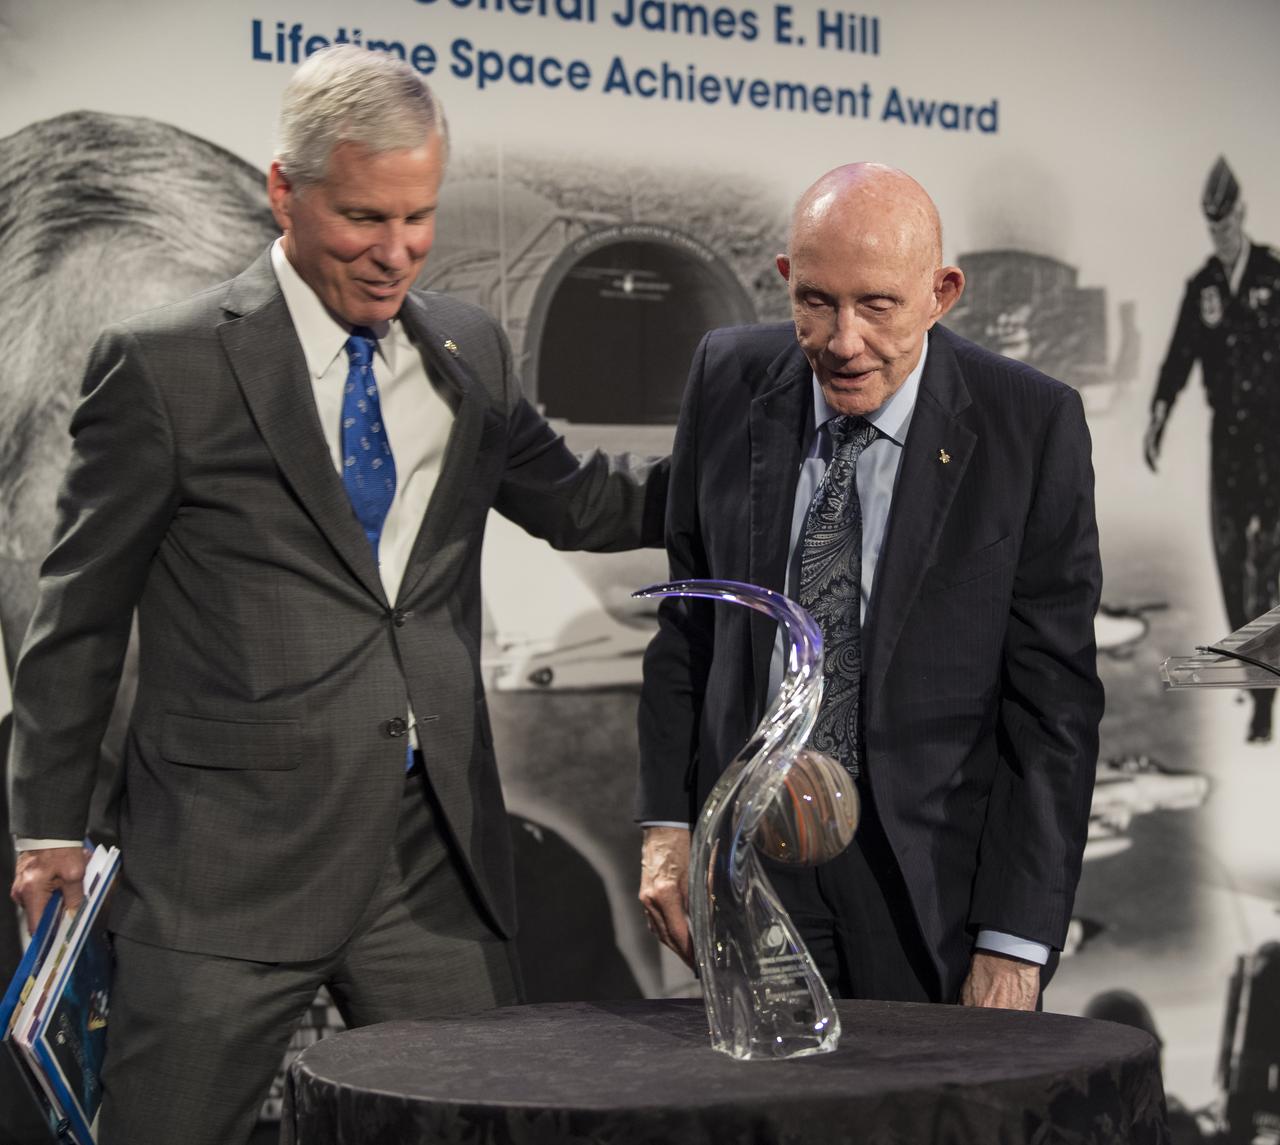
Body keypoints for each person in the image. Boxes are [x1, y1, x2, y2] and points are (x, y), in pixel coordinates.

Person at [8, 46, 665, 1145]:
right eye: (365, 216)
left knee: (482, 1125)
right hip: (224, 874)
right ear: (286, 190)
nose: (396, 251)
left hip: (426, 869)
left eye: (420, 217)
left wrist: (762, 466)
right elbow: (78, 617)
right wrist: (48, 830)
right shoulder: (165, 365)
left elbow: (582, 508)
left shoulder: (467, 350)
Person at [637, 163, 1102, 1010]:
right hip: (753, 868)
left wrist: (1014, 940)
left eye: (878, 305)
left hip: (929, 887)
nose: (844, 340)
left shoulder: (1030, 425)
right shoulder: (726, 379)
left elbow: (1053, 707)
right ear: (785, 280)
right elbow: (689, 627)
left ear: (941, 292)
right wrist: (667, 828)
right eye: (816, 301)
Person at [1144, 157, 1280, 743]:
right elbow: (1178, 357)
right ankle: (1258, 681)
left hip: (1274, 442)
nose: (1221, 238)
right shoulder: (1202, 287)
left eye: (1227, 227)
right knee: (1231, 566)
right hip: (1226, 443)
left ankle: (1263, 701)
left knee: (1265, 565)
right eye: (1213, 230)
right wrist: (1158, 415)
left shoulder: (1275, 276)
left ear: (1242, 216)